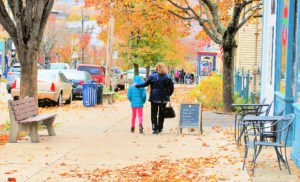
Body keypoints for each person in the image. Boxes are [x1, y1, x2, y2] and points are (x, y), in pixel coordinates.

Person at [135, 62, 174, 134]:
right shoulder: (168, 76)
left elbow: (145, 84)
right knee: (162, 113)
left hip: (154, 97)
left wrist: (137, 85)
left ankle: (155, 128)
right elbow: (171, 88)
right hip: (164, 98)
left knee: (154, 113)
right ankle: (160, 128)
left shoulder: (152, 76)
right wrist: (168, 95)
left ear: (156, 68)